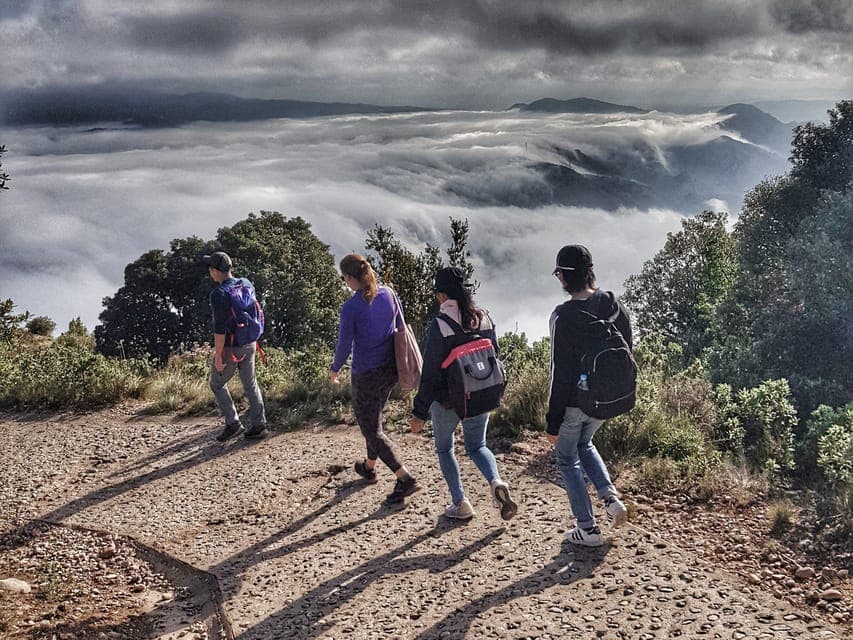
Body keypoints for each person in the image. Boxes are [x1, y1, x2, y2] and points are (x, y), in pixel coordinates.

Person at [410, 267, 518, 521]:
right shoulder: (483, 317)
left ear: (441, 295)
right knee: (478, 446)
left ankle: (460, 503)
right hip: (480, 394)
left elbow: (430, 372)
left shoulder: (441, 325)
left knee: (445, 449)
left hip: (447, 402)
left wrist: (419, 412)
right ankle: (496, 481)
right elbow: (495, 354)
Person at [546, 245, 630, 546]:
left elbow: (559, 373)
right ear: (589, 272)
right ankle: (610, 499)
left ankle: (587, 529)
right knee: (585, 443)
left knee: (567, 458)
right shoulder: (613, 304)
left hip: (574, 403)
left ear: (563, 277)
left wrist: (552, 422)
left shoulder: (563, 316)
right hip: (606, 399)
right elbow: (627, 350)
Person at [330, 254, 422, 505]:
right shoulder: (389, 294)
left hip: (366, 374)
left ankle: (405, 478)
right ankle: (369, 468)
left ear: (350, 278)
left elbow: (344, 344)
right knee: (375, 419)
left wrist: (335, 370)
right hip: (390, 369)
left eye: (344, 278)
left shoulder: (351, 308)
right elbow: (401, 326)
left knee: (371, 429)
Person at [202, 251, 268, 442]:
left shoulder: (218, 294)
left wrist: (218, 356)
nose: (209, 272)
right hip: (250, 343)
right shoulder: (246, 283)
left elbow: (219, 329)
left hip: (232, 348)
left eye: (210, 269)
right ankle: (259, 425)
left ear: (215, 271)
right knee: (250, 382)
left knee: (217, 383)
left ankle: (233, 424)